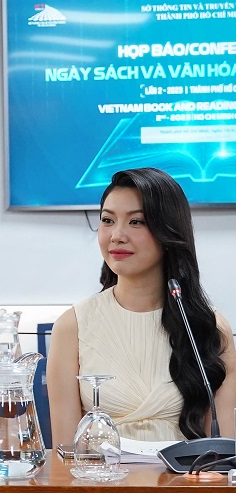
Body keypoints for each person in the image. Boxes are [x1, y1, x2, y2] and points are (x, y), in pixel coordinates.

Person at [47, 168, 236, 444]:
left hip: (185, 474)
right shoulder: (72, 325)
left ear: (168, 231)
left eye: (136, 222)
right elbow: (64, 453)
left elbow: (221, 452)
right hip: (99, 473)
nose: (117, 235)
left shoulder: (208, 327)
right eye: (108, 220)